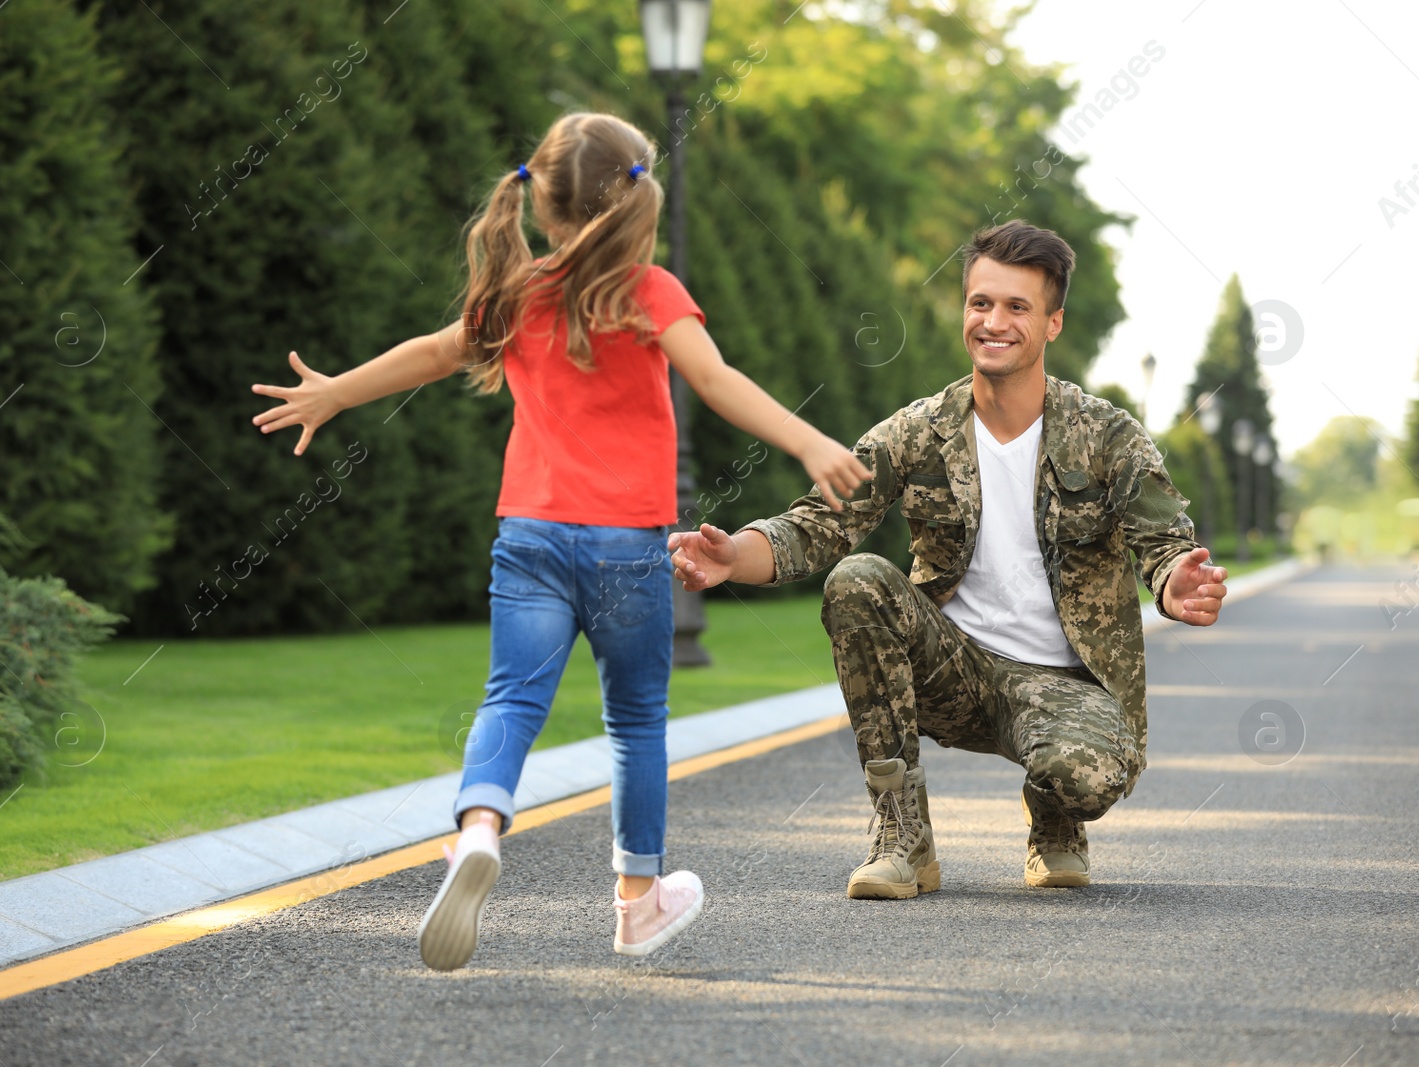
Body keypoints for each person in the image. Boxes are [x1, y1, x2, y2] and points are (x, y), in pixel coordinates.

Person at [249, 112, 871, 966]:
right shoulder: (649, 292)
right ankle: (638, 899)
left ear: (540, 202)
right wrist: (804, 440)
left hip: (532, 536)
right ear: (634, 197)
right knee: (636, 720)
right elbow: (715, 378)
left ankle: (477, 828)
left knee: (511, 699)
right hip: (624, 548)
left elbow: (432, 353)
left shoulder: (518, 291)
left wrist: (333, 395)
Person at [668, 219, 1229, 897]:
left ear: (1053, 323)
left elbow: (1164, 541)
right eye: (980, 303)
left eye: (1017, 307)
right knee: (858, 581)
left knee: (1085, 774)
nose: (993, 321)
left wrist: (1176, 583)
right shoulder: (920, 431)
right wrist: (736, 557)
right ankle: (903, 837)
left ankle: (1054, 815)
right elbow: (818, 525)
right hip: (952, 669)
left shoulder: (1106, 435)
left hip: (1064, 686)